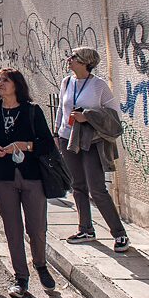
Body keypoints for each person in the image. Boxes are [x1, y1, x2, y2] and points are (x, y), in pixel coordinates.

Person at [0, 68, 57, 298]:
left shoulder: (31, 111)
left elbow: (47, 144)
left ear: (17, 85)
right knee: (13, 229)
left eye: (5, 80)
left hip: (32, 176)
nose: (0, 83)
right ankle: (21, 276)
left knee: (36, 228)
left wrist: (26, 146)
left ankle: (40, 264)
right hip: (3, 177)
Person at [55, 47, 130, 253]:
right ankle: (85, 228)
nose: (69, 59)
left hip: (90, 141)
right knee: (77, 186)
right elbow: (62, 109)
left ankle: (119, 233)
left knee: (97, 188)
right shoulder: (66, 82)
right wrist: (56, 133)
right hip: (67, 139)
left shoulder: (98, 85)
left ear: (85, 62)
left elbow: (112, 114)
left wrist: (87, 115)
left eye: (74, 57)